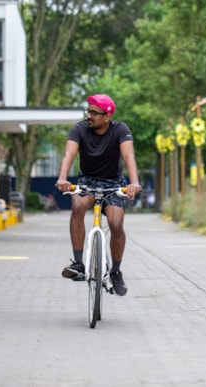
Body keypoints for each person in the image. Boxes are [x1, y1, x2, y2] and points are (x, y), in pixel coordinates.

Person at [56, 94, 141, 296]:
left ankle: (116, 271)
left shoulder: (120, 129)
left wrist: (134, 182)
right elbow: (69, 154)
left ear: (107, 116)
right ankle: (78, 264)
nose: (89, 116)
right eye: (88, 111)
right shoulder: (79, 129)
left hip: (113, 182)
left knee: (115, 223)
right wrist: (62, 178)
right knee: (77, 207)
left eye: (94, 113)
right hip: (87, 180)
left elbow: (129, 155)